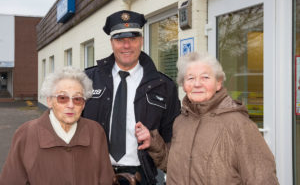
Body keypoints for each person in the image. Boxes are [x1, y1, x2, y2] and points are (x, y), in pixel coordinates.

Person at [136, 52, 279, 184]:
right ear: (184, 85)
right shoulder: (181, 121)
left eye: (205, 77)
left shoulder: (239, 125)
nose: (197, 84)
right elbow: (174, 166)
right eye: (190, 78)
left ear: (218, 83)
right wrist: (153, 143)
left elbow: (263, 178)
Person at [82, 10, 181, 185]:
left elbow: (172, 137)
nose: (126, 46)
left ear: (141, 41)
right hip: (94, 174)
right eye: (120, 39)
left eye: (133, 39)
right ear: (111, 42)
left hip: (142, 176)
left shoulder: (164, 85)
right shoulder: (87, 79)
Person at [0, 67, 114, 185]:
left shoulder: (95, 132)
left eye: (78, 99)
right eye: (63, 98)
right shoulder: (26, 134)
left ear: (84, 104)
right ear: (49, 101)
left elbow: (106, 179)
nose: (71, 105)